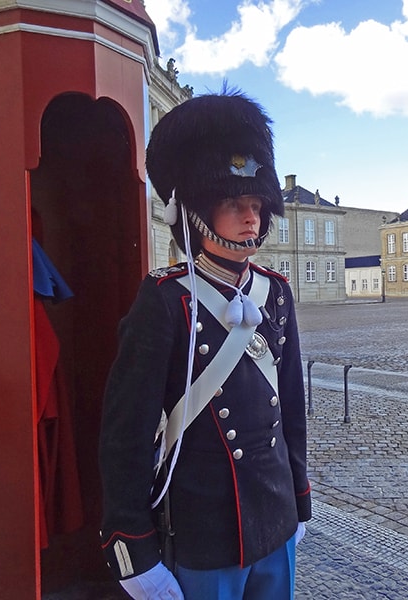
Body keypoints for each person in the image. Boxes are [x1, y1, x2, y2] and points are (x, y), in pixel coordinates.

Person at [99, 90, 311, 600]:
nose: (252, 219)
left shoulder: (274, 292)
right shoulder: (164, 299)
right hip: (202, 533)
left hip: (274, 518)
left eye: (257, 205)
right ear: (193, 211)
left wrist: (299, 501)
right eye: (235, 204)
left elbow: (292, 413)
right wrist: (133, 550)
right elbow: (125, 437)